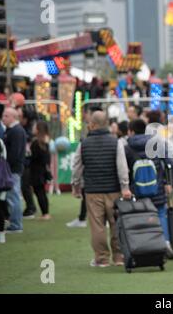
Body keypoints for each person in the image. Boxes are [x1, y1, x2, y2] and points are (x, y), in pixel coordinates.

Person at [72, 111, 131, 267]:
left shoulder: (83, 143)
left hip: (92, 191)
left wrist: (76, 186)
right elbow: (122, 167)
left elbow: (76, 167)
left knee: (97, 226)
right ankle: (119, 257)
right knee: (116, 223)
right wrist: (125, 186)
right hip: (114, 190)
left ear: (93, 124)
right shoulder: (116, 142)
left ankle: (102, 258)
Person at [126, 119, 173, 256]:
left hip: (137, 190)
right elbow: (170, 162)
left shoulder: (127, 147)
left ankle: (144, 247)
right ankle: (165, 242)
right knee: (160, 214)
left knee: (139, 216)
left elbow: (124, 168)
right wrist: (168, 182)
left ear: (131, 131)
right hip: (157, 187)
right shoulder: (157, 143)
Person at [67, 106, 103, 228]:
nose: (85, 115)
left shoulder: (88, 140)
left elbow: (78, 163)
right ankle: (83, 218)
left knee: (92, 197)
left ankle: (85, 218)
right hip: (97, 175)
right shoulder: (108, 138)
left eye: (87, 113)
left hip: (92, 174)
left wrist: (75, 183)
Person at [2, 107, 27, 233]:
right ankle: (15, 223)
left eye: (6, 116)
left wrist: (5, 166)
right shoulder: (13, 130)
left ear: (13, 117)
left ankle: (16, 225)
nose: (3, 118)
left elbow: (14, 153)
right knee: (13, 196)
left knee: (13, 197)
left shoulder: (16, 131)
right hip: (13, 169)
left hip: (13, 169)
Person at [30, 121, 51, 220]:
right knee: (42, 192)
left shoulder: (36, 143)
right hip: (42, 171)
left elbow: (33, 157)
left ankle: (45, 213)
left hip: (36, 171)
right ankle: (46, 212)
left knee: (39, 193)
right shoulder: (45, 142)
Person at [19, 108, 38, 219]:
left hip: (28, 162)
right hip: (27, 162)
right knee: (25, 186)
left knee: (25, 186)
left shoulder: (27, 131)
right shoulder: (26, 130)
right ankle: (30, 207)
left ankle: (31, 208)